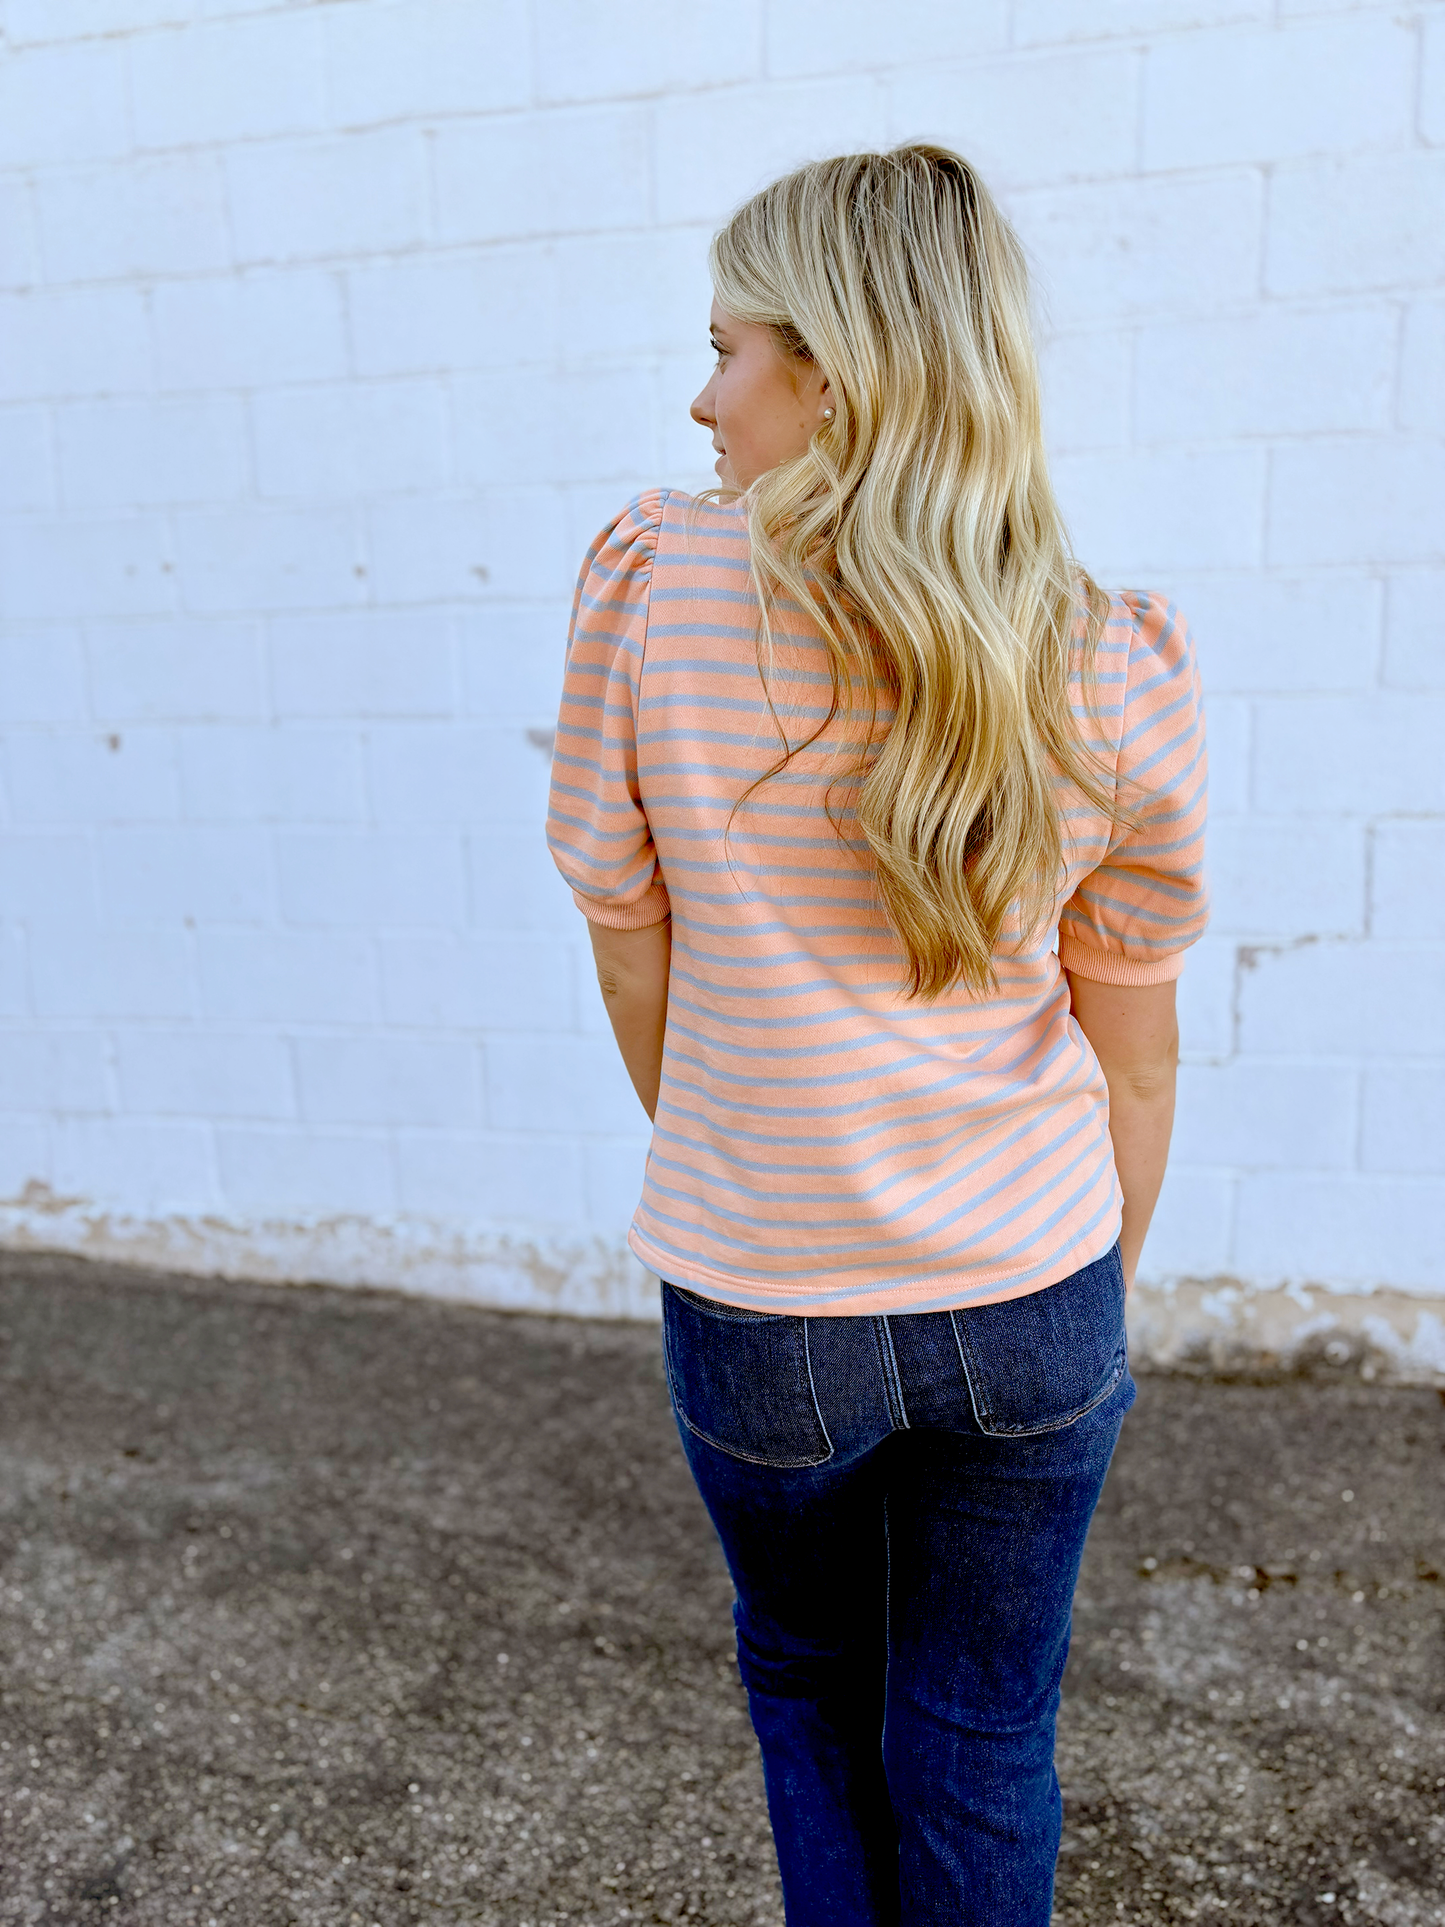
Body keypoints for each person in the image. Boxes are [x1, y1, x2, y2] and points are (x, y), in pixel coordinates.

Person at [546, 144, 1207, 1926]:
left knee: (811, 1679)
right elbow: (1131, 1049)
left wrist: (763, 1168)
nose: (701, 396)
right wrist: (1081, 1291)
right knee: (985, 1725)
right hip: (1038, 1281)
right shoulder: (1101, 656)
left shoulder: (653, 591)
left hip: (766, 1298)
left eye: (729, 347)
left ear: (832, 367)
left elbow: (635, 963)